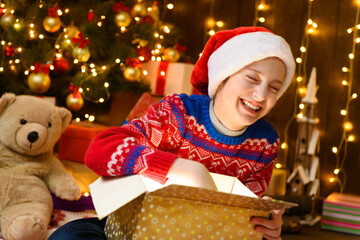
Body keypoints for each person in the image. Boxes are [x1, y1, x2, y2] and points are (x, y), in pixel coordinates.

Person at [49, 26, 295, 240]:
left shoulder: (265, 142)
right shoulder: (178, 113)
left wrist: (266, 223)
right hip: (134, 222)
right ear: (222, 78)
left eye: (274, 88)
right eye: (252, 78)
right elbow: (100, 150)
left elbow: (245, 213)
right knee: (70, 235)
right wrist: (183, 168)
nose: (261, 95)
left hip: (203, 232)